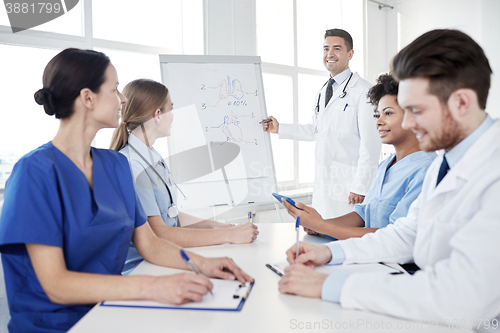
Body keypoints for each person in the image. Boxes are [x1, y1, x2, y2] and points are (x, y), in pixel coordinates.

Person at [0, 48, 253, 333]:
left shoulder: (115, 165)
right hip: (54, 325)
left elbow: (150, 244)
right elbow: (56, 284)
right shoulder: (33, 173)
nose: (122, 99)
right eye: (115, 88)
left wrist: (204, 265)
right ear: (87, 98)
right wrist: (155, 286)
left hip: (111, 310)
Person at [278, 29, 500, 327]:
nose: (406, 123)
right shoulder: (445, 163)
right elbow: (406, 235)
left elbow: (463, 296)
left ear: (461, 102)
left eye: (415, 111)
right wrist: (329, 252)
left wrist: (329, 287)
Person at [110, 79, 259, 273]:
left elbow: (171, 214)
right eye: (171, 110)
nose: (173, 116)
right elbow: (158, 233)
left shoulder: (150, 155)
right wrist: (229, 235)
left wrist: (219, 227)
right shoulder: (134, 165)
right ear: (157, 115)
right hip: (142, 267)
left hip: (161, 258)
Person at [282, 74, 436, 240]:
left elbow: (396, 236)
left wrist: (323, 226)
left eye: (388, 114)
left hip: (396, 263)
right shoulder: (385, 166)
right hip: (368, 254)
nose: (378, 122)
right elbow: (362, 215)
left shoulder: (427, 170)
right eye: (378, 115)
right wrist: (319, 225)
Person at [264, 28, 381, 219]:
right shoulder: (323, 91)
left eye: (337, 49)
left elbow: (371, 145)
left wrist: (361, 186)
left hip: (350, 188)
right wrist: (280, 129)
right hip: (325, 184)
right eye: (326, 49)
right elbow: (315, 130)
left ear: (350, 54)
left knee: (344, 238)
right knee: (322, 235)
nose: (330, 54)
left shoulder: (364, 92)